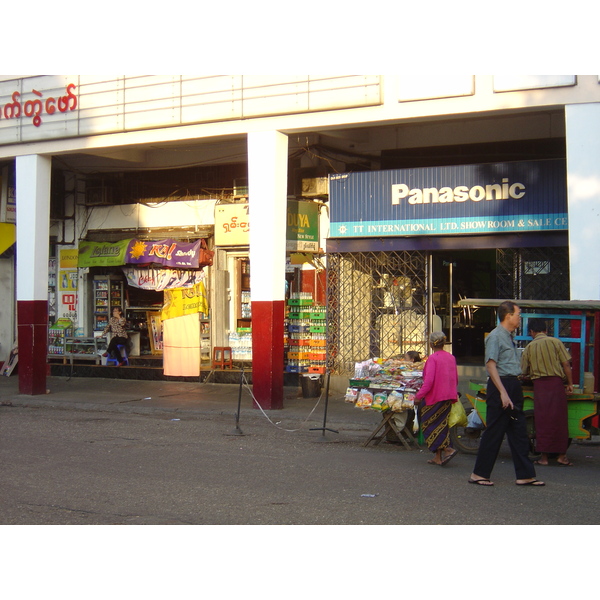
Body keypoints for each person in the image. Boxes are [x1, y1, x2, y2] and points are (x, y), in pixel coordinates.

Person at [469, 301, 544, 486]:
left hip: (512, 384)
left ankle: (525, 475)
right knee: (494, 431)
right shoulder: (495, 336)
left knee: (518, 431)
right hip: (501, 385)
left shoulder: (509, 336)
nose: (520, 318)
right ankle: (479, 474)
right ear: (508, 315)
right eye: (518, 314)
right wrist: (503, 392)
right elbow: (490, 365)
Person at [521, 318, 574, 466]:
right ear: (546, 330)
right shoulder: (556, 342)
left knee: (542, 421)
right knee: (559, 420)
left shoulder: (530, 347)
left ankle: (544, 458)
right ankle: (561, 456)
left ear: (532, 331)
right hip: (557, 385)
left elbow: (524, 372)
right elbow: (566, 364)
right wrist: (570, 384)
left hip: (540, 387)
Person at [415, 331, 458, 466]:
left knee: (429, 425)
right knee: (441, 425)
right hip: (448, 396)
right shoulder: (451, 357)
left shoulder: (433, 359)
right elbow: (455, 378)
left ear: (431, 344)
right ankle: (438, 457)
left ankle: (448, 449)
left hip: (434, 397)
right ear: (444, 343)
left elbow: (429, 382)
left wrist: (418, 396)